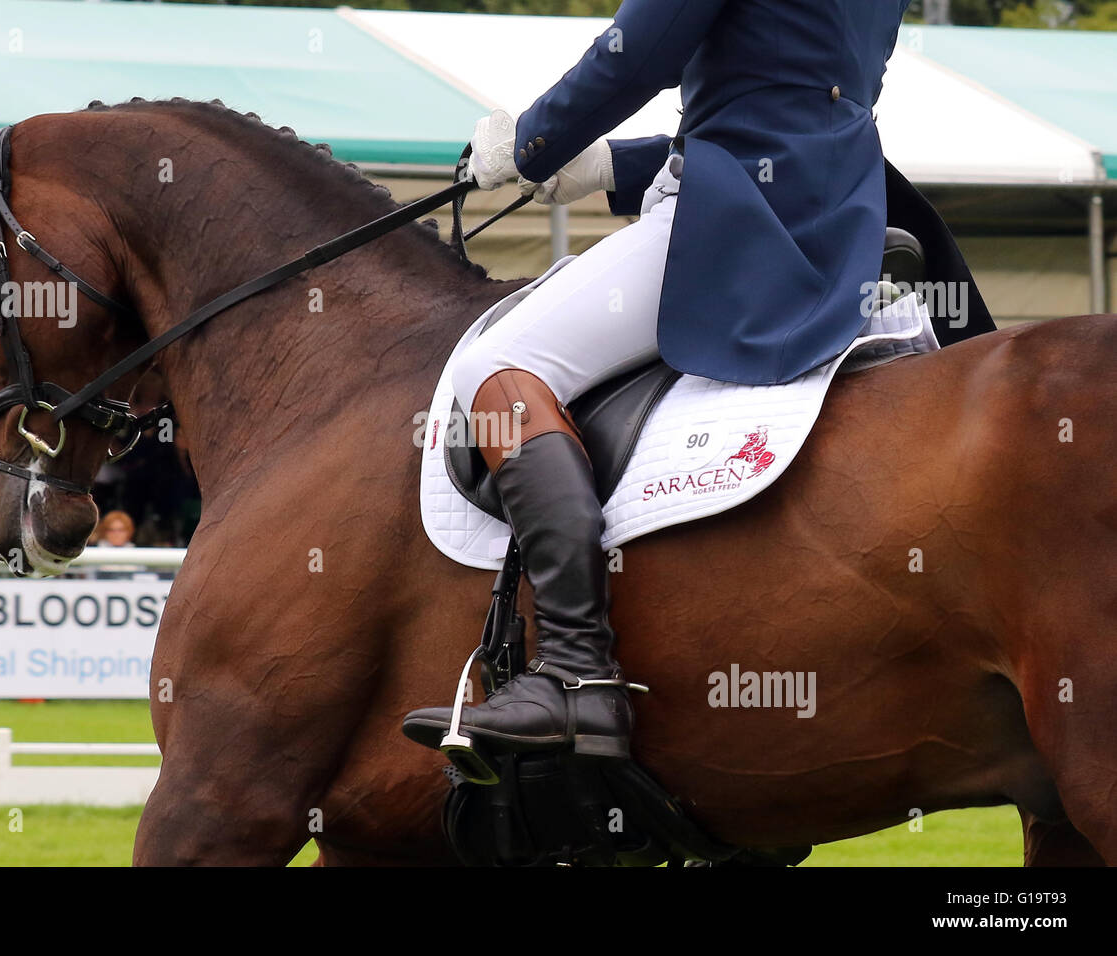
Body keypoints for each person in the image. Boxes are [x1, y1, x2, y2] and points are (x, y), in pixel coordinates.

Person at [404, 0, 965, 761]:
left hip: (740, 221)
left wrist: (530, 144)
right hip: (835, 209)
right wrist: (613, 166)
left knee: (491, 369)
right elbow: (784, 86)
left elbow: (640, 47)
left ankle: (575, 673)